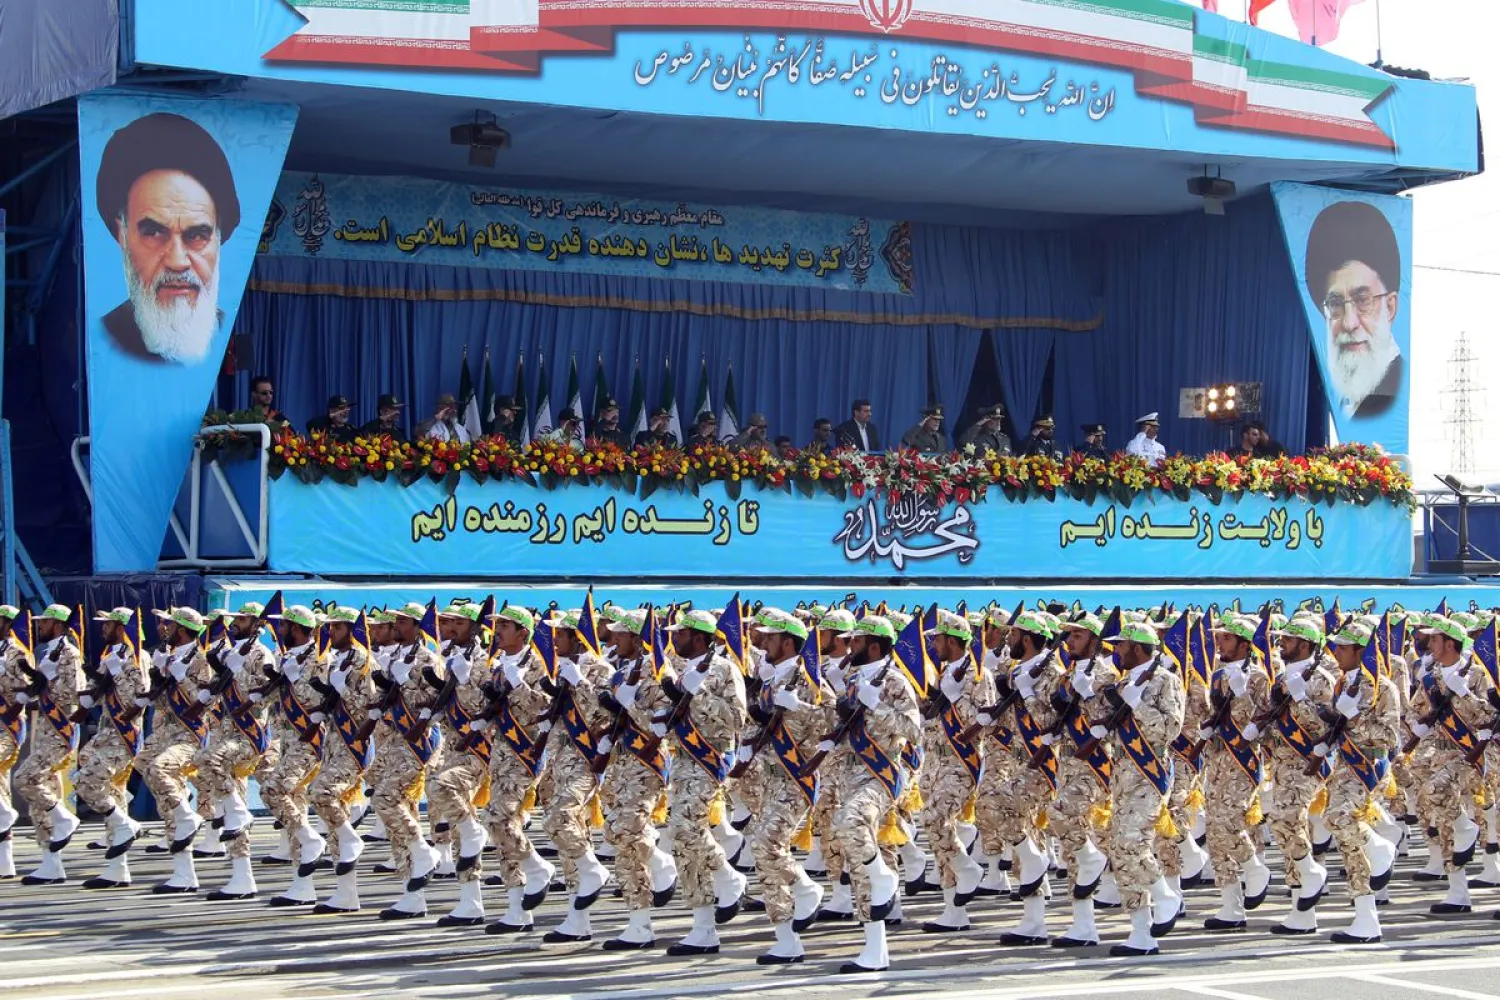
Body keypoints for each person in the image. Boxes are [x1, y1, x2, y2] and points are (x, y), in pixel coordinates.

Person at [96, 113, 239, 365]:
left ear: (218, 239)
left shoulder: (228, 331)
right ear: (122, 234)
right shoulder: (102, 336)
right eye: (154, 233)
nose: (177, 261)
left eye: (197, 236)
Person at [824, 615, 920, 973]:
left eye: (857, 641)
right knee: (859, 863)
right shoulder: (854, 678)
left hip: (881, 774)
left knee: (849, 822)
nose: (850, 646)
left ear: (875, 646)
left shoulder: (894, 681)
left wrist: (876, 705)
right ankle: (875, 951)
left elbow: (914, 730)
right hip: (851, 773)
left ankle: (885, 877)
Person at [741, 610, 834, 965]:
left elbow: (834, 722)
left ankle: (806, 888)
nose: (763, 642)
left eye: (770, 637)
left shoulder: (807, 678)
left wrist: (802, 707)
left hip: (796, 777)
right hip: (767, 777)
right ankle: (786, 938)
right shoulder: (771, 677)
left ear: (788, 642)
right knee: (763, 851)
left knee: (765, 843)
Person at [1094, 618, 1185, 957]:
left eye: (1120, 644)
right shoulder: (1124, 682)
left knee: (1133, 842)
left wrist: (1138, 704)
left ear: (1136, 647)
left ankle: (1165, 896)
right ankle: (1141, 931)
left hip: (1149, 771)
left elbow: (1170, 730)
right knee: (1119, 849)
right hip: (1122, 773)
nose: (1116, 650)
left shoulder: (1165, 679)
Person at [662, 609, 749, 957]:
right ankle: (703, 927)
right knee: (682, 842)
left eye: (681, 634)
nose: (674, 638)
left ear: (699, 637)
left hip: (710, 759)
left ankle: (729, 876)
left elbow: (737, 719)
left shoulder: (725, 669)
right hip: (682, 759)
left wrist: (698, 695)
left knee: (684, 827)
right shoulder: (679, 667)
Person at [197, 602, 277, 901]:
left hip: (248, 735)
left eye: (242, 619)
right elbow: (217, 690)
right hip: (225, 733)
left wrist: (238, 678)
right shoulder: (231, 650)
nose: (235, 624)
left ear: (256, 624)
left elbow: (265, 696)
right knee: (231, 811)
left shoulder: (261, 654)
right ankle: (242, 877)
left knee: (211, 762)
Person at [134, 607, 214, 893]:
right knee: (144, 765)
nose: (164, 628)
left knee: (159, 770)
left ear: (182, 628)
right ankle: (184, 873)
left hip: (189, 734)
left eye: (170, 624)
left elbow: (206, 701)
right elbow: (161, 699)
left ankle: (187, 814)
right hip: (165, 730)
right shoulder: (169, 655)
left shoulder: (201, 659)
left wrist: (182, 677)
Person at [306, 607, 378, 915]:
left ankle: (352, 839)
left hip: (355, 745)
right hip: (334, 743)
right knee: (336, 815)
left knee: (321, 793)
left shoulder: (364, 661)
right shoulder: (338, 659)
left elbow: (372, 707)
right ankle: (346, 894)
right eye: (329, 626)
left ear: (351, 629)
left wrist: (342, 689)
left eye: (337, 627)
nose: (330, 632)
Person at [260, 605, 331, 907]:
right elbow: (273, 698)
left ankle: (312, 839)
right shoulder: (287, 656)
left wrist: (296, 679)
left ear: (298, 628)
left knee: (273, 790)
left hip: (309, 740)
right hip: (288, 738)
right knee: (295, 803)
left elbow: (323, 699)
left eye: (285, 626)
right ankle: (302, 885)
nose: (280, 631)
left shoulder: (321, 658)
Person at [1305, 200, 1404, 417]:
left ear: (1390, 307)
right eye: (1336, 304)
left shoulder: (1397, 389)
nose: (1349, 323)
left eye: (1362, 300)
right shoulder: (1345, 401)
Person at [75, 608, 148, 889]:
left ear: (121, 627)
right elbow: (95, 693)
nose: (103, 629)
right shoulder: (109, 655)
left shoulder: (137, 656)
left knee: (86, 782)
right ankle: (117, 869)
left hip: (123, 736)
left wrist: (119, 675)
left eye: (108, 624)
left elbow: (141, 697)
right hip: (105, 734)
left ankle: (127, 824)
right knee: (113, 794)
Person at [13, 605, 83, 885]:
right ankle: (51, 864)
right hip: (44, 729)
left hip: (60, 732)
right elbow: (43, 692)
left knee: (25, 778)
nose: (39, 626)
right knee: (41, 800)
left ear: (57, 624)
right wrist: (34, 685)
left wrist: (48, 681)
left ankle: (65, 819)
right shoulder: (48, 652)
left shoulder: (70, 653)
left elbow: (75, 695)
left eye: (44, 623)